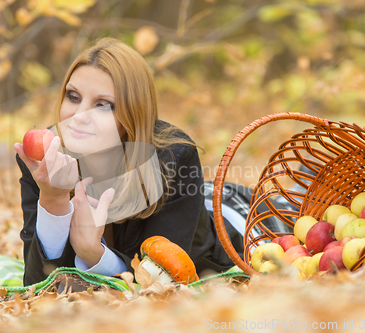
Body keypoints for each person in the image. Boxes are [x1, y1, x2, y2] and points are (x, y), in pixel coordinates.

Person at [14, 38, 287, 287]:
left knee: (300, 213)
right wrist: (53, 200)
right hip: (198, 198)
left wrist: (93, 253)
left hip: (230, 221)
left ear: (133, 113)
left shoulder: (175, 158)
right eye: (73, 97)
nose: (80, 115)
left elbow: (163, 277)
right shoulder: (44, 159)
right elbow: (38, 283)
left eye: (103, 105)